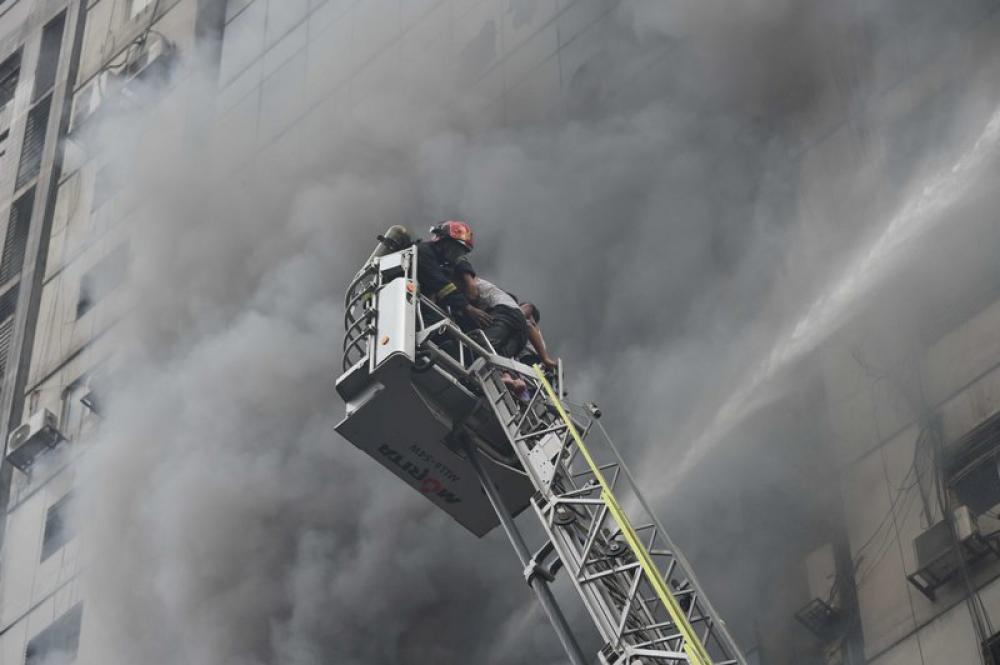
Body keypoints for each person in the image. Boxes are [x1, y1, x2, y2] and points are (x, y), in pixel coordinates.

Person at [415, 221, 491, 329]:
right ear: (442, 240)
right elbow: (440, 284)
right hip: (414, 307)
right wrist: (468, 308)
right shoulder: (423, 251)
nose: (456, 254)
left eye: (461, 252)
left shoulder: (443, 264)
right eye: (455, 248)